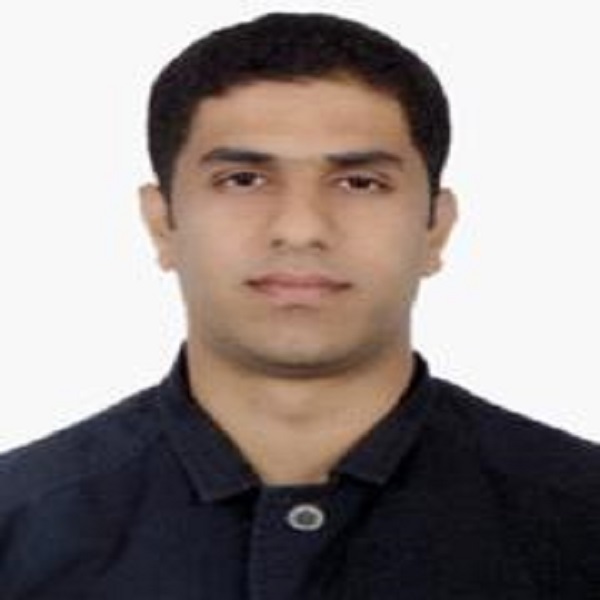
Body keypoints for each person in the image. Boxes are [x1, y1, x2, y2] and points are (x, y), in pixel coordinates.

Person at [1, 12, 599, 599]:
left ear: (435, 228)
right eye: (243, 179)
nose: (301, 229)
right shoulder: (19, 529)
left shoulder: (581, 521)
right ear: (163, 223)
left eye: (360, 182)